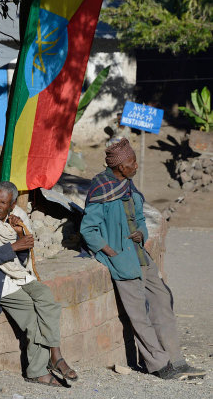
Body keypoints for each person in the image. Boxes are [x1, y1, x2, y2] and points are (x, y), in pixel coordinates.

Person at [80, 138, 205, 380]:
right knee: (139, 315)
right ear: (119, 167)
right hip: (121, 261)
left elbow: (139, 217)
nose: (135, 166)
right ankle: (159, 364)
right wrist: (109, 251)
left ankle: (176, 360)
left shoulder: (127, 186)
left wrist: (141, 232)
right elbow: (88, 230)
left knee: (162, 300)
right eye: (131, 162)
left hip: (140, 256)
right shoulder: (101, 189)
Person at [0, 181, 78, 387]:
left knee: (46, 297)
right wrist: (12, 246)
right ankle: (36, 371)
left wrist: (20, 236)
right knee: (32, 316)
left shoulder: (18, 219)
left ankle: (55, 354)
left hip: (14, 272)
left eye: (3, 203)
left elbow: (21, 261)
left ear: (12, 204)